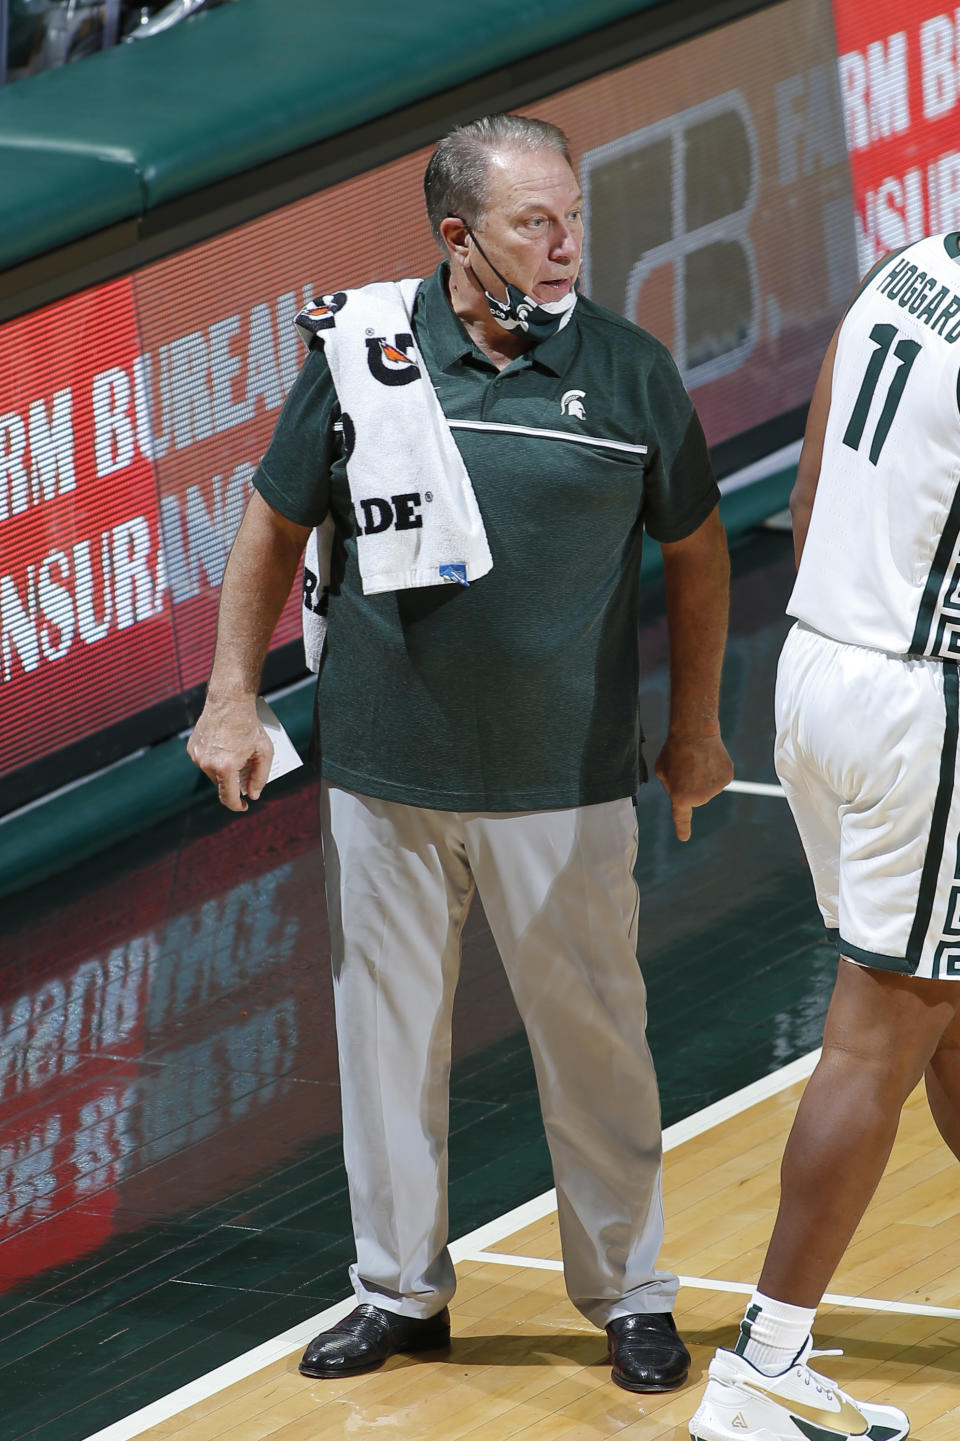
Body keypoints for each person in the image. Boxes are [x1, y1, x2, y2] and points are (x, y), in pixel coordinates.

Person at [188, 112, 732, 1393]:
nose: (564, 246)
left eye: (573, 216)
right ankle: (398, 1290)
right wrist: (228, 695)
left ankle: (631, 1295)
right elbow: (271, 524)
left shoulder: (631, 368)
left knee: (596, 1044)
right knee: (381, 1044)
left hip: (568, 779)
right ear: (456, 237)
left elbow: (699, 551)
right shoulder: (364, 358)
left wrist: (698, 728)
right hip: (383, 774)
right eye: (533, 223)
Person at [690, 233, 960, 1441]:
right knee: (878, 1032)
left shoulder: (911, 268)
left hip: (815, 664)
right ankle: (764, 1362)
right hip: (921, 698)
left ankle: (773, 1358)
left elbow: (804, 494)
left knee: (940, 999)